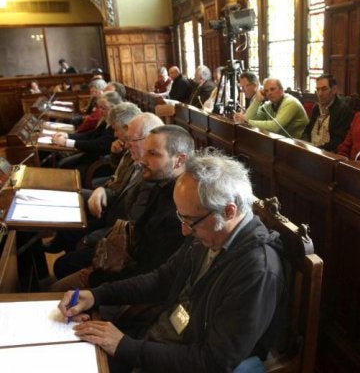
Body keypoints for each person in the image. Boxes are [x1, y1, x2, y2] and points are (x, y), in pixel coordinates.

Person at [58, 150, 287, 372]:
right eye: (181, 216)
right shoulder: (208, 231)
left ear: (228, 211)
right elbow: (162, 279)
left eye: (190, 220)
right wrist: (97, 295)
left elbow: (214, 361)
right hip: (160, 337)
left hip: (182, 357)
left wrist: (124, 346)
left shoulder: (258, 270)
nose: (184, 231)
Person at [51, 123, 193, 291]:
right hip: (122, 265)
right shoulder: (160, 183)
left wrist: (97, 281)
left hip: (134, 284)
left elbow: (152, 271)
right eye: (145, 151)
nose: (142, 160)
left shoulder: (181, 205)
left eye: (153, 154)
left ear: (179, 160)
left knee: (57, 288)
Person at [234, 77, 309, 139]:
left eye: (272, 89)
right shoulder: (268, 105)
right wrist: (257, 101)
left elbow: (275, 126)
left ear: (281, 90)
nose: (269, 93)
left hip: (300, 144)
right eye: (266, 91)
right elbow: (248, 118)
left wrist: (247, 122)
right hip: (282, 141)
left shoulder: (290, 102)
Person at [302, 74, 354, 152]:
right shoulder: (316, 108)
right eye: (318, 89)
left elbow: (338, 140)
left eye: (324, 89)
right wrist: (304, 143)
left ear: (334, 90)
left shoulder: (343, 110)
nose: (319, 94)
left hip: (329, 154)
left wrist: (317, 150)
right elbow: (307, 130)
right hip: (311, 151)